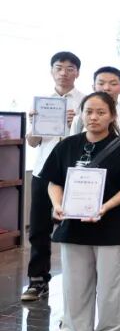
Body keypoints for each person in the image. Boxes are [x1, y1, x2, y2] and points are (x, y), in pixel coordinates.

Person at [41, 92, 120, 331]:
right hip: (73, 227)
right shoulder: (67, 145)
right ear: (81, 114)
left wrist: (105, 206)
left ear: (112, 116)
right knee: (75, 284)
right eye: (88, 112)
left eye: (100, 112)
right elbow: (54, 181)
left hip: (111, 227)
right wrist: (58, 204)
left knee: (111, 285)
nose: (94, 117)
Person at [24, 51, 84, 302]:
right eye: (59, 68)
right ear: (51, 71)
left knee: (77, 227)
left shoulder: (85, 101)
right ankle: (37, 280)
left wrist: (74, 122)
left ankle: (79, 284)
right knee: (39, 227)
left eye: (70, 68)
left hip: (74, 172)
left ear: (77, 72)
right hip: (43, 170)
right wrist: (35, 123)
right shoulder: (42, 103)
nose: (64, 73)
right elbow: (32, 142)